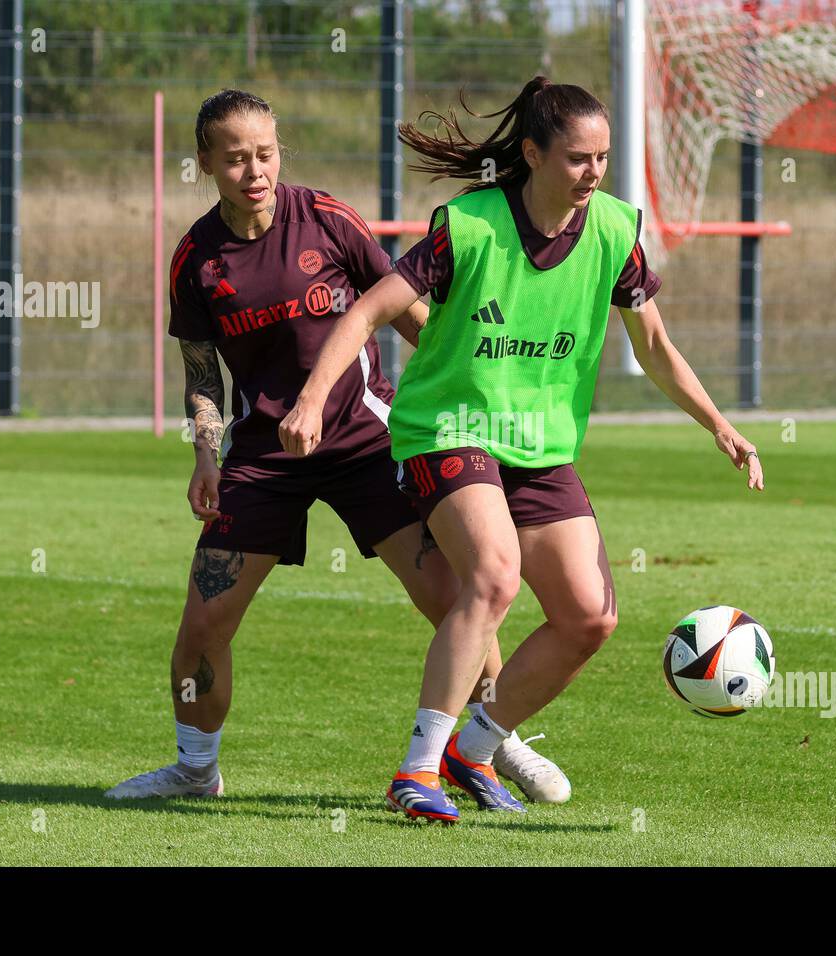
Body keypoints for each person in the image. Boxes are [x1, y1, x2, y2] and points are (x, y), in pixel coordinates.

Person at [280, 76, 765, 823]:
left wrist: (718, 424)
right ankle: (416, 772)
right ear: (533, 153)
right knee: (496, 578)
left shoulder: (613, 230)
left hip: (540, 446)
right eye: (577, 158)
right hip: (447, 428)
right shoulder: (468, 225)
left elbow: (658, 345)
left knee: (589, 617)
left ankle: (472, 749)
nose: (594, 172)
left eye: (602, 158)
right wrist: (312, 398)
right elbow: (370, 308)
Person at [105, 89, 567, 806]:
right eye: (233, 159)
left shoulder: (326, 218)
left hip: (368, 440)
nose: (253, 170)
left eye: (264, 153)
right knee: (203, 625)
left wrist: (469, 405)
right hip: (263, 456)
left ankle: (490, 745)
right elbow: (203, 376)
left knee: (460, 595)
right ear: (203, 164)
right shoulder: (196, 260)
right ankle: (196, 771)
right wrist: (205, 453)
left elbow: (410, 311)